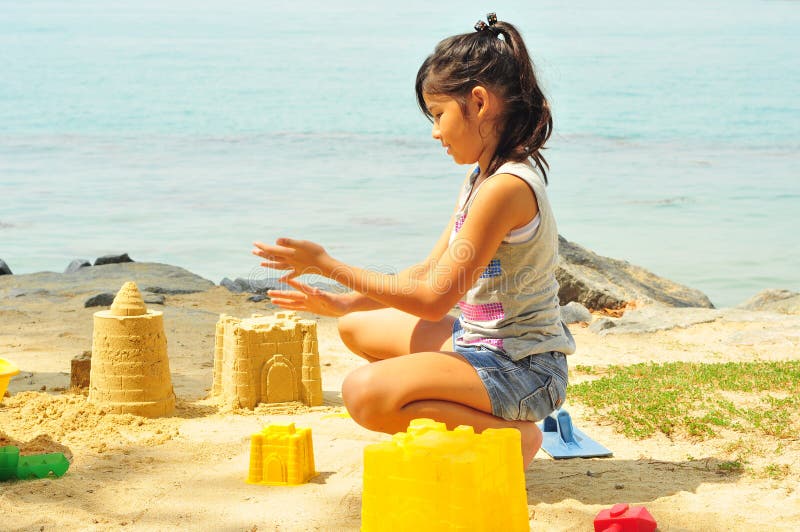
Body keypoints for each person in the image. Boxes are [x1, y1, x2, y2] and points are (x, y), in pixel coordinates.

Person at [252, 13, 575, 468]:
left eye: (439, 115)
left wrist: (325, 262)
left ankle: (513, 439)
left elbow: (431, 301)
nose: (435, 132)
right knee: (355, 328)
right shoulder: (481, 178)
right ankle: (481, 424)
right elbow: (426, 272)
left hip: (523, 368)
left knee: (363, 393)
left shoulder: (507, 188)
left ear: (478, 103)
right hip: (479, 343)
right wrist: (345, 302)